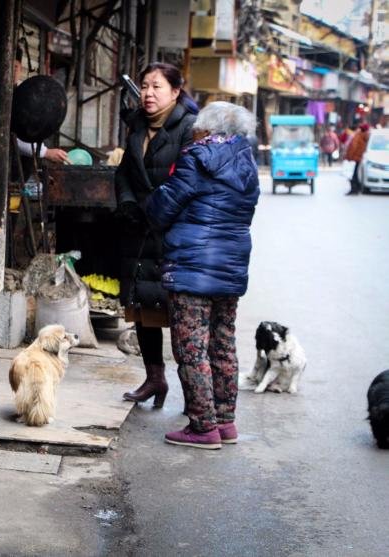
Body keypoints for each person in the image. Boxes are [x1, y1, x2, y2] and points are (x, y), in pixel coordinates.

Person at [145, 101, 260, 449]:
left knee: (192, 347)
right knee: (223, 345)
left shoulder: (197, 157)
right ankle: (225, 423)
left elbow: (163, 208)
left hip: (192, 267)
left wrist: (151, 201)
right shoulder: (248, 162)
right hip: (231, 266)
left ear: (207, 129)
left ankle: (202, 427)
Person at [114, 62, 198, 408]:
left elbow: (189, 181)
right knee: (143, 307)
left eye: (157, 87)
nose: (148, 93)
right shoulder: (136, 126)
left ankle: (196, 395)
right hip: (140, 232)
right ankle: (155, 379)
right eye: (145, 86)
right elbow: (124, 173)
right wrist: (129, 203)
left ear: (176, 92)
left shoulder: (190, 129)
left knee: (180, 316)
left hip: (174, 233)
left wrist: (156, 209)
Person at [13, 46, 69, 164]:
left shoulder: (28, 93)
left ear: (21, 68)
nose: (13, 72)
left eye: (15, 67)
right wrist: (45, 153)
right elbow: (9, 138)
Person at [344, 122, 370, 195]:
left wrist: (348, 157)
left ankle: (354, 189)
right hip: (360, 157)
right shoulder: (367, 136)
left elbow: (353, 147)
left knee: (353, 174)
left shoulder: (358, 135)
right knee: (356, 173)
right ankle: (357, 188)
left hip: (355, 157)